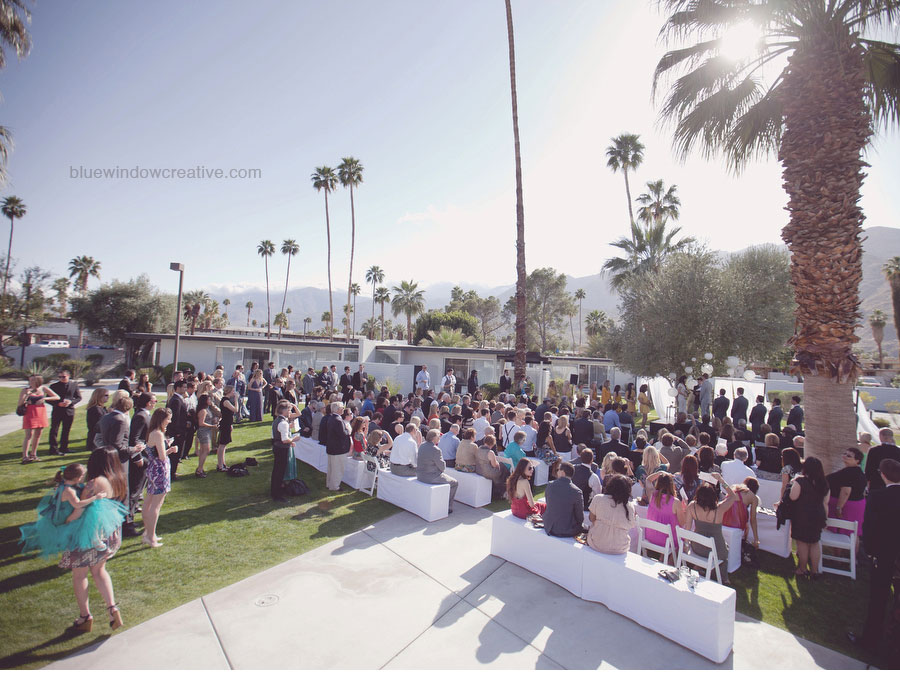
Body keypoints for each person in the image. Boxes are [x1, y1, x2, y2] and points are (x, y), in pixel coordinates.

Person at [62, 448, 129, 631]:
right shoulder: (117, 478)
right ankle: (112, 608)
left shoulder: (94, 483)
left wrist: (65, 521)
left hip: (89, 535)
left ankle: (85, 616)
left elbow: (79, 510)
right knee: (100, 572)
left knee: (79, 575)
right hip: (109, 533)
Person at [847, 459, 900, 653]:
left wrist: (870, 552)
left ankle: (870, 640)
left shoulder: (877, 497)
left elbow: (869, 528)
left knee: (878, 599)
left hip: (884, 556)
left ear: (883, 474)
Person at [684, 473, 736, 583]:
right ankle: (723, 578)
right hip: (716, 549)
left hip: (697, 547)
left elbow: (687, 528)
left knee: (720, 549)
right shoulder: (720, 508)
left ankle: (699, 568)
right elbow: (733, 496)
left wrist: (686, 544)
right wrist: (721, 481)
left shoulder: (692, 506)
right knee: (724, 551)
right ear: (713, 496)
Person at [786, 456, 830, 578]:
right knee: (815, 543)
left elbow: (793, 497)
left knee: (802, 544)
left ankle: (802, 569)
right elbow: (825, 503)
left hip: (802, 515)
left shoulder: (800, 482)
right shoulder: (824, 484)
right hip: (818, 515)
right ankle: (815, 571)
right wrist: (825, 519)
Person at [143, 408, 177, 547]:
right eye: (168, 419)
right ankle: (151, 537)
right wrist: (171, 449)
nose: (169, 421)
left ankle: (148, 533)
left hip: (153, 470)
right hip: (159, 471)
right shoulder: (157, 434)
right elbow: (162, 456)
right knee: (155, 505)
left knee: (149, 502)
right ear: (161, 419)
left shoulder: (153, 432)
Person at [587, 474, 635, 554]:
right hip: (620, 547)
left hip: (596, 543)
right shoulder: (629, 507)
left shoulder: (598, 498)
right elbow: (630, 526)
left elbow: (591, 518)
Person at [18, 375, 61, 463]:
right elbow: (19, 403)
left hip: (41, 412)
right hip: (30, 413)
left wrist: (44, 398)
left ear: (38, 381)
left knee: (38, 435)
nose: (30, 382)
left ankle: (33, 454)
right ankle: (25, 456)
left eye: (33, 380)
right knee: (29, 435)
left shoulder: (43, 388)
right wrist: (27, 396)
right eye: (30, 380)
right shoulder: (25, 390)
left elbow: (57, 397)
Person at [826, 447, 867, 537]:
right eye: (845, 454)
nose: (845, 456)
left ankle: (839, 551)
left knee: (839, 532)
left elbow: (846, 491)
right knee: (854, 533)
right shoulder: (859, 472)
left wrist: (838, 508)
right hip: (858, 505)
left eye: (849, 456)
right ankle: (853, 551)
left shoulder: (849, 473)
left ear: (857, 460)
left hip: (846, 506)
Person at [417, 429, 458, 511]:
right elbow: (442, 467)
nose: (440, 438)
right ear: (434, 438)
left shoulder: (422, 445)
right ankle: (448, 507)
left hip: (420, 475)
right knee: (454, 483)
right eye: (438, 436)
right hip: (431, 477)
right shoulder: (436, 450)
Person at [645, 472, 683, 559]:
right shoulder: (676, 502)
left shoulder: (652, 495)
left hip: (651, 536)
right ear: (671, 485)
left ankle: (663, 557)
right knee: (682, 539)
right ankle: (670, 561)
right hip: (667, 540)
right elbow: (682, 523)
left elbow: (648, 479)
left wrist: (660, 473)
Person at [542, 462, 585, 538]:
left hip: (549, 526)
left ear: (562, 472)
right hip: (566, 529)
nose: (557, 471)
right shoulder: (577, 491)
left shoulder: (550, 485)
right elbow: (580, 517)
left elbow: (548, 503)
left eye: (558, 470)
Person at [47, 369, 82, 456]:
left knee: (66, 430)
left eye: (63, 377)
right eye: (59, 377)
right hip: (57, 410)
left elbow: (78, 397)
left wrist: (71, 402)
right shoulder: (54, 386)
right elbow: (48, 399)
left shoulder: (74, 385)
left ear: (68, 376)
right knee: (54, 430)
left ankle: (64, 447)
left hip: (69, 410)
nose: (61, 378)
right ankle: (53, 449)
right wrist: (57, 403)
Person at [271, 401, 301, 502]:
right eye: (288, 410)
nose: (290, 412)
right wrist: (293, 439)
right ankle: (277, 494)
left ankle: (275, 491)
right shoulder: (283, 423)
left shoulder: (277, 420)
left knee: (277, 471)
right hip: (281, 449)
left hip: (277, 447)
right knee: (279, 472)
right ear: (283, 411)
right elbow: (284, 439)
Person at [722, 477, 760, 553]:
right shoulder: (754, 498)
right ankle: (741, 547)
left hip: (722, 519)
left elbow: (725, 487)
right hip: (737, 524)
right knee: (746, 526)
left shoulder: (734, 488)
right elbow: (753, 520)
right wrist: (756, 539)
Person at [325, 402, 351, 491]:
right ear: (339, 409)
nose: (343, 409)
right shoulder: (338, 420)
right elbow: (343, 434)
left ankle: (329, 483)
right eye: (342, 408)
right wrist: (348, 431)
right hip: (338, 448)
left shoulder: (331, 418)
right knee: (338, 468)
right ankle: (335, 486)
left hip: (331, 447)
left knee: (331, 468)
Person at [475, 434, 510, 499]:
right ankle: (502, 491)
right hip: (487, 472)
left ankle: (501, 490)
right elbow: (494, 465)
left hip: (479, 470)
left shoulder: (478, 448)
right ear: (492, 444)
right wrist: (498, 464)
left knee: (501, 468)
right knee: (503, 468)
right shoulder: (490, 452)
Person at [166, 380, 188, 480]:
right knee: (174, 454)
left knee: (177, 454)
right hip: (177, 432)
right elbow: (175, 418)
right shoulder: (175, 400)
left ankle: (173, 472)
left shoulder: (179, 399)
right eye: (183, 387)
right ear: (178, 388)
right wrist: (177, 432)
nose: (185, 389)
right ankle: (171, 474)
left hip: (181, 430)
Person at [216, 385, 237, 472]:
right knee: (222, 444)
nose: (233, 393)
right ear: (228, 391)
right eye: (232, 391)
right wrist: (236, 400)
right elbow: (235, 409)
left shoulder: (226, 400)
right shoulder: (225, 401)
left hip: (227, 423)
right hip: (225, 424)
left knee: (224, 445)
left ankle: (223, 463)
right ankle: (220, 465)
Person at [85, 388, 109, 456]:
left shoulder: (100, 408)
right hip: (96, 437)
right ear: (99, 396)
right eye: (106, 395)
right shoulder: (96, 409)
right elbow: (97, 425)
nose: (108, 397)